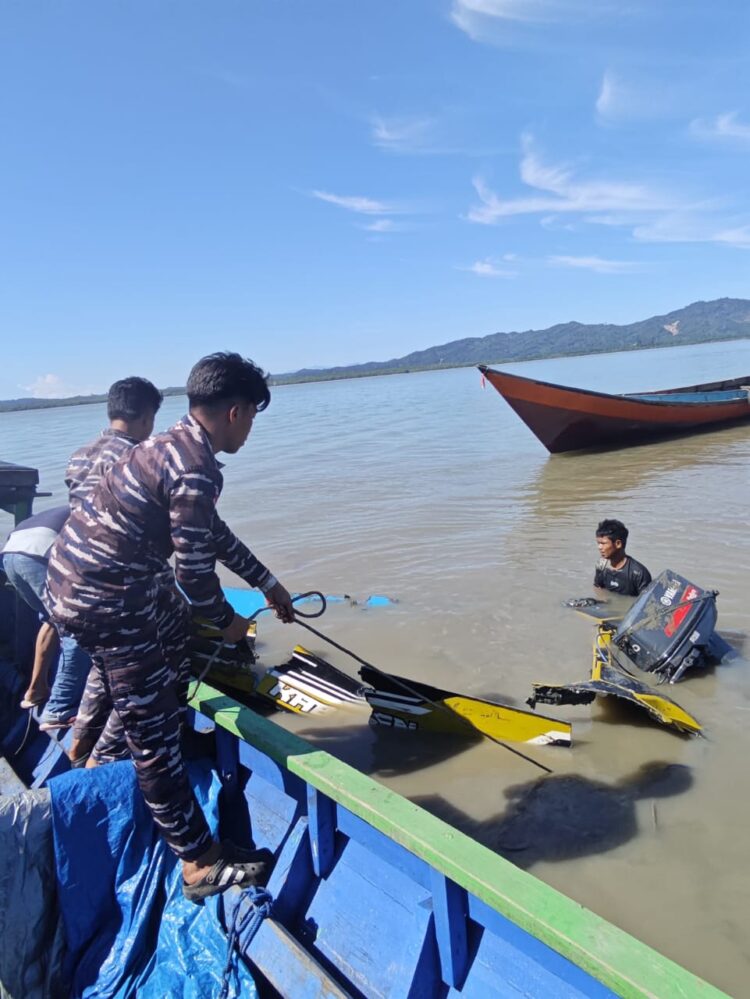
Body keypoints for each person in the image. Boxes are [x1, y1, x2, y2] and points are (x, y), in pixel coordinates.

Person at [45, 352, 295, 900]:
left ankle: (136, 730)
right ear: (235, 411)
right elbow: (197, 573)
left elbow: (214, 534)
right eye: (253, 415)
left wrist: (267, 582)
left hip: (96, 583)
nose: (251, 428)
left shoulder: (172, 447)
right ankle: (198, 862)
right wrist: (229, 623)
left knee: (176, 638)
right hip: (104, 599)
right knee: (153, 732)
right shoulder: (193, 465)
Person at [1, 506, 90, 728]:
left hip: (10, 555)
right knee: (76, 626)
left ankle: (36, 689)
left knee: (51, 619)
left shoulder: (81, 504)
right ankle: (59, 708)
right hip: (41, 553)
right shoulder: (110, 511)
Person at [66, 376, 164, 511]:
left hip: (76, 527)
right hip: (115, 529)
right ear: (146, 419)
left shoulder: (78, 455)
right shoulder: (136, 456)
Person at [593, 519, 652, 597]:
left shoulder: (639, 573)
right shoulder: (601, 566)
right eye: (598, 543)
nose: (599, 547)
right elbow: (598, 588)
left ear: (618, 544)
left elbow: (646, 602)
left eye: (603, 543)